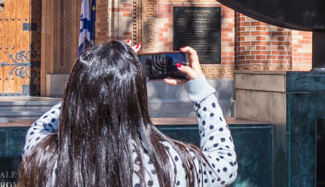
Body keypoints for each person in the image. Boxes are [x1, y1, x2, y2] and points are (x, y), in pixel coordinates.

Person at [19, 41, 237, 187]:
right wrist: (200, 92)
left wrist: (87, 92)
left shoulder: (45, 156)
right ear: (136, 97)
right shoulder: (168, 162)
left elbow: (40, 127)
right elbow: (225, 165)